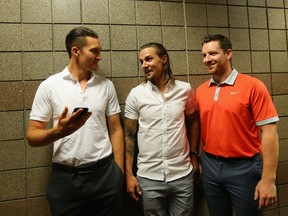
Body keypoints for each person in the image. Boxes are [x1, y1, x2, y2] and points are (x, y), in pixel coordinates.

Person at [26, 27, 124, 216]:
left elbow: (115, 130)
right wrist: (57, 132)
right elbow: (32, 136)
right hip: (66, 180)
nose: (100, 56)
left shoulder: (106, 85)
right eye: (94, 51)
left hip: (105, 175)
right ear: (76, 51)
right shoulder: (50, 86)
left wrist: (117, 173)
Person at [196, 34, 279, 216]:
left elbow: (269, 132)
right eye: (203, 55)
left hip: (244, 168)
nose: (207, 60)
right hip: (210, 166)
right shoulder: (201, 91)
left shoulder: (253, 86)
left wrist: (268, 179)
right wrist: (200, 161)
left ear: (228, 53)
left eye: (212, 54)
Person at [124, 42, 199, 216]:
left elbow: (193, 122)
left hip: (182, 174)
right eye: (141, 61)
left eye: (149, 59)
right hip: (149, 177)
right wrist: (129, 175)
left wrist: (195, 156)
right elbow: (129, 136)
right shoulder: (136, 95)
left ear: (164, 59)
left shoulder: (185, 90)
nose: (144, 65)